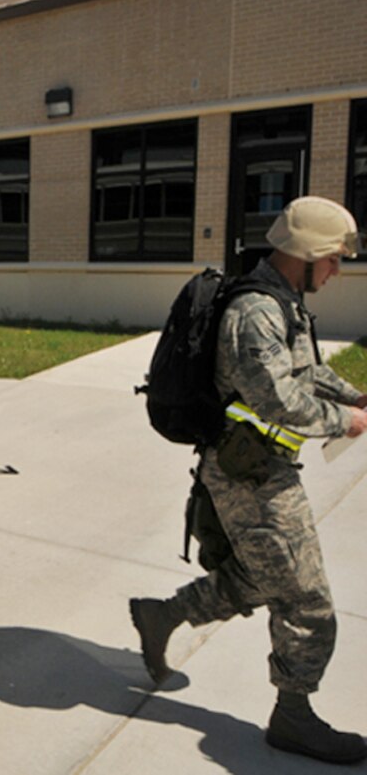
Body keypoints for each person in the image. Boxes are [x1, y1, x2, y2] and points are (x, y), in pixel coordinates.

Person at [130, 196, 367, 765]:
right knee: (309, 603)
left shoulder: (283, 302)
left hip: (260, 467)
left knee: (263, 578)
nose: (338, 270)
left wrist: (352, 395)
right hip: (248, 476)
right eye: (334, 259)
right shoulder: (256, 311)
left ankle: (162, 614)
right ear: (306, 255)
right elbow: (276, 397)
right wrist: (347, 421)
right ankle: (293, 717)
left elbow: (305, 371)